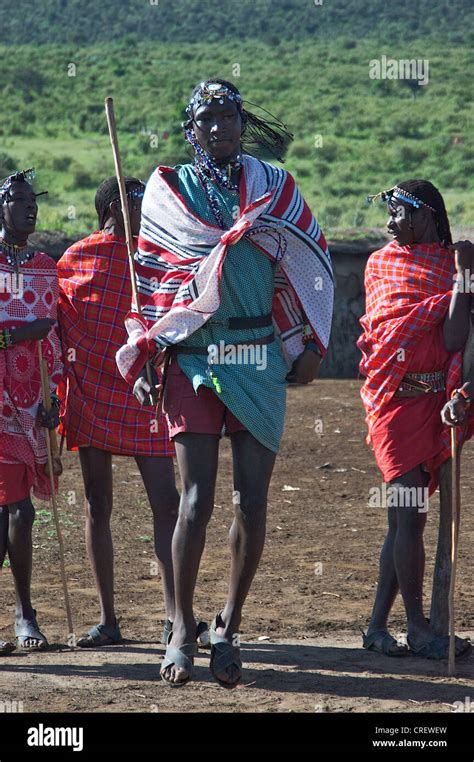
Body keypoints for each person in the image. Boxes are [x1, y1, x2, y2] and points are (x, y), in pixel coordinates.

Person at [117, 79, 334, 686]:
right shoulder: (169, 191)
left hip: (257, 354)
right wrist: (148, 351)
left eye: (230, 116)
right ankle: (181, 626)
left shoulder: (272, 186)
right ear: (192, 130)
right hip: (193, 357)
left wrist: (312, 342)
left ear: (243, 123)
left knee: (253, 500)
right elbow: (154, 277)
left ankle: (230, 626)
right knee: (196, 500)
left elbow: (306, 254)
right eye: (208, 119)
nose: (221, 127)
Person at [57, 177, 186, 647]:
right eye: (138, 200)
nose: (147, 208)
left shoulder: (153, 258)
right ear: (114, 206)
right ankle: (109, 620)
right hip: (91, 393)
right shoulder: (75, 259)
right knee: (97, 504)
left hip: (144, 392)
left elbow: (173, 313)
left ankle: (176, 615)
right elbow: (60, 327)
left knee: (167, 503)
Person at [358, 180, 473, 660]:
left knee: (405, 521)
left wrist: (464, 277)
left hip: (439, 404)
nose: (389, 224)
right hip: (393, 403)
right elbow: (382, 335)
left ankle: (377, 629)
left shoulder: (451, 267)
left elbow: (453, 337)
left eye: (398, 214)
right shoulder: (380, 263)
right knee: (408, 515)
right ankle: (417, 627)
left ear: (425, 216)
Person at [0, 168, 62, 654]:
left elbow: (54, 335)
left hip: (32, 401)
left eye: (33, 201)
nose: (30, 207)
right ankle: (19, 613)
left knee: (22, 511)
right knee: (6, 510)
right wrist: (20, 334)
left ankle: (25, 612)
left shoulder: (45, 264)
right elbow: (33, 329)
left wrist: (54, 397)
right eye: (19, 200)